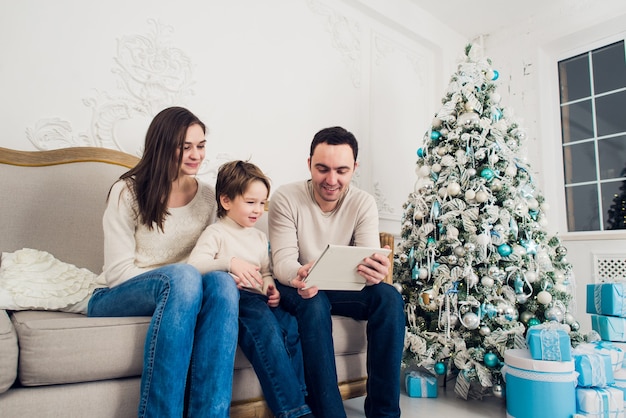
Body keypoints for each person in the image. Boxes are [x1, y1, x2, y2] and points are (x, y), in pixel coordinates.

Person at [87, 107, 239, 418]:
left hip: (184, 290)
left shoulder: (208, 196)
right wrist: (179, 277)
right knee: (184, 278)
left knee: (222, 283)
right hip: (116, 295)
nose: (196, 155)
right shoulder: (126, 192)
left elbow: (209, 259)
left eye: (201, 145)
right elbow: (117, 274)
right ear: (162, 145)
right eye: (185, 147)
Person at [268, 126, 404, 418]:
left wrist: (376, 271)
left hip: (341, 284)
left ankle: (385, 413)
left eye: (342, 170)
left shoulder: (363, 202)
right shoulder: (286, 197)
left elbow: (366, 260)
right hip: (297, 284)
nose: (331, 180)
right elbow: (282, 262)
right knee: (314, 302)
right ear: (309, 165)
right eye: (322, 169)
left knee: (389, 297)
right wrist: (301, 274)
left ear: (354, 168)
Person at [188, 160, 313, 418]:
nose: (258, 210)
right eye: (250, 202)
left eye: (262, 203)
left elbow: (266, 272)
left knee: (291, 327)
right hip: (235, 300)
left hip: (258, 299)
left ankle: (301, 394)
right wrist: (227, 263)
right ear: (226, 201)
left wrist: (271, 289)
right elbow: (195, 266)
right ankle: (294, 411)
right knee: (266, 331)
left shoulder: (258, 237)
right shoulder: (216, 233)